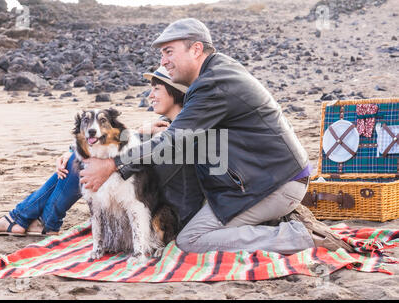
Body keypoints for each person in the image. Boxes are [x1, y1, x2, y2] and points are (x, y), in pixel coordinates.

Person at [79, 18, 354, 254]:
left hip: (274, 185)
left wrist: (113, 164)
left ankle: (300, 238)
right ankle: (275, 221)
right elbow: (179, 128)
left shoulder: (214, 84)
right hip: (258, 180)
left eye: (168, 52)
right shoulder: (216, 75)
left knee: (192, 240)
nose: (163, 61)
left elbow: (174, 139)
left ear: (196, 49)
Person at [0, 66, 204, 236]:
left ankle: (28, 219)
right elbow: (121, 143)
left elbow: (133, 153)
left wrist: (80, 152)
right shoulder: (164, 123)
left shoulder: (177, 132)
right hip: (142, 199)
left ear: (175, 91)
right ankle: (33, 220)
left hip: (160, 213)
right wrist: (73, 150)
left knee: (84, 164)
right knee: (78, 160)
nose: (150, 95)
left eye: (156, 89)